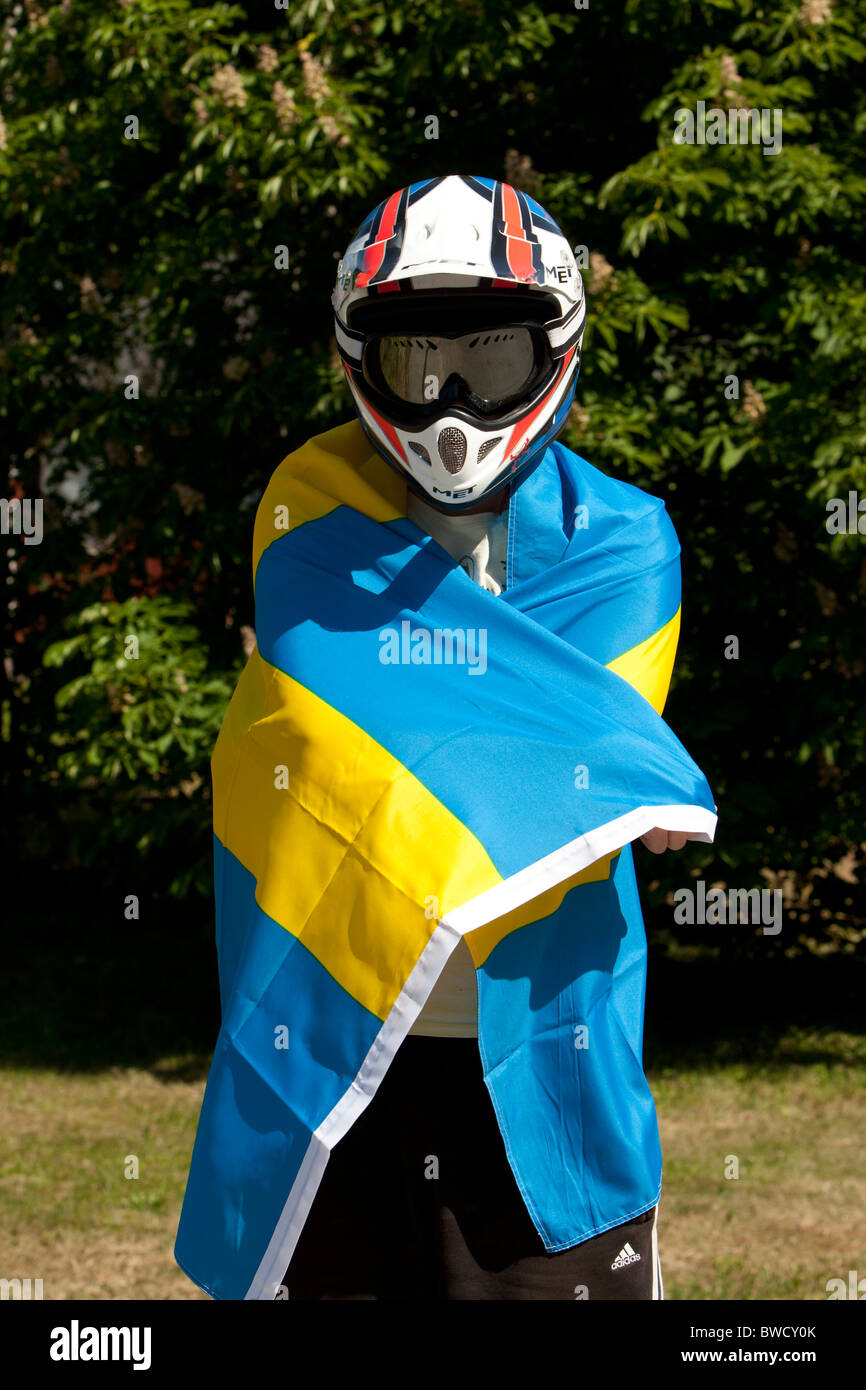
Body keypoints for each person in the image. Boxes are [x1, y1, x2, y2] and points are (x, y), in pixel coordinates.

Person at [174, 174, 717, 1303]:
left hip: (545, 1062)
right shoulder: (305, 505)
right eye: (418, 361)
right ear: (357, 360)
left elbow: (547, 764)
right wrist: (606, 774)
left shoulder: (623, 538)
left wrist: (591, 769)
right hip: (334, 1049)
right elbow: (545, 764)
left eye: (489, 358)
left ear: (553, 351)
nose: (451, 399)